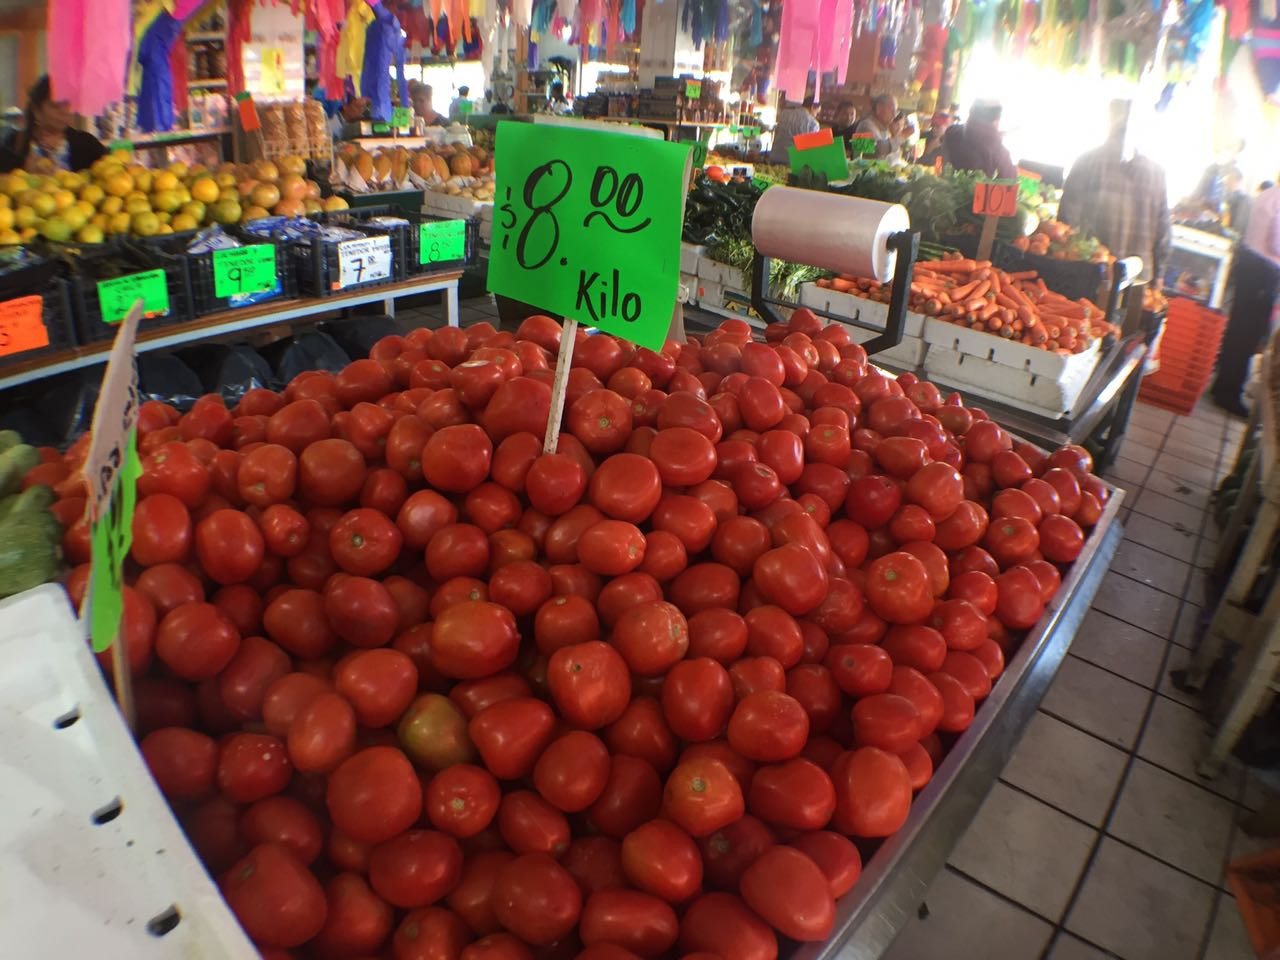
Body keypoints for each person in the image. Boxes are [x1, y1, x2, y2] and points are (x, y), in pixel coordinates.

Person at [1058, 100, 1170, 286]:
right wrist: (1158, 276)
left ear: (1111, 125)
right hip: (1138, 284)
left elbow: (1065, 225)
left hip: (1093, 279)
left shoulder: (1087, 163)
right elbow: (1163, 235)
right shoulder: (1157, 173)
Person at [1211, 182, 1280, 414]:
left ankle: (1222, 387)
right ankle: (1228, 394)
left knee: (1237, 331)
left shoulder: (1268, 194)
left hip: (1250, 265)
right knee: (1247, 337)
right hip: (1263, 272)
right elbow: (1276, 243)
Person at [0, 76, 106, 173]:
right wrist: (25, 170)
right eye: (56, 106)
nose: (66, 111)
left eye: (69, 104)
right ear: (36, 111)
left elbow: (112, 168)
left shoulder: (87, 144)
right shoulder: (14, 143)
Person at [939, 100, 1015, 179]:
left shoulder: (951, 132)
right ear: (996, 122)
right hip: (974, 190)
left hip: (944, 188)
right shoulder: (999, 151)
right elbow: (1010, 184)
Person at [855, 94, 907, 160]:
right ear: (878, 109)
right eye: (891, 109)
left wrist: (895, 135)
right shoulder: (864, 125)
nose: (894, 114)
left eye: (896, 111)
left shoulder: (885, 128)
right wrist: (902, 136)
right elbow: (874, 151)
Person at [769, 95, 819, 163]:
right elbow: (811, 149)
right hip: (793, 162)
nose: (815, 115)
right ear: (812, 107)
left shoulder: (785, 113)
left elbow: (777, 133)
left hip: (774, 156)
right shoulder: (813, 124)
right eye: (817, 112)